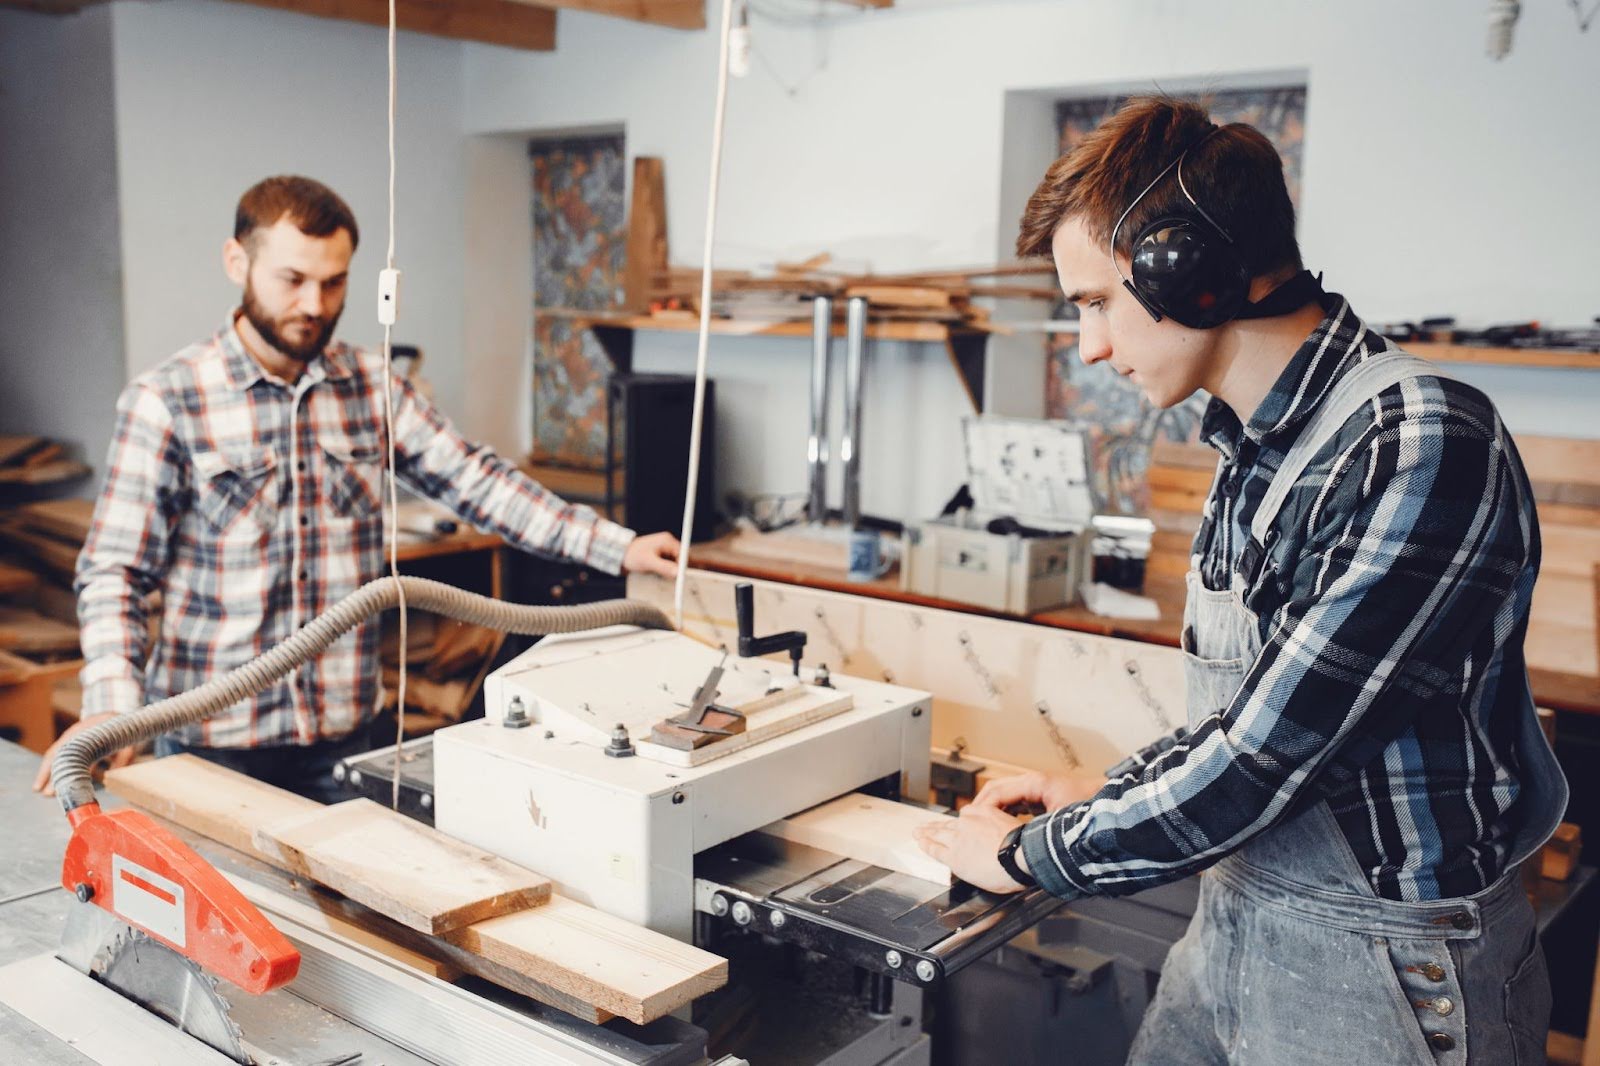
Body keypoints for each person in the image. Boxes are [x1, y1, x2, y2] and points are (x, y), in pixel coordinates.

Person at [915, 96, 1567, 1064]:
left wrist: (1022, 857)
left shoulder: (1419, 443)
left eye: (1095, 302)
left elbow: (1262, 760)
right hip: (1234, 918)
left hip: (1382, 971)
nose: (1089, 346)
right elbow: (1242, 715)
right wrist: (1093, 790)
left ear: (1193, 272)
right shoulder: (1252, 450)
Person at [34, 175, 681, 802]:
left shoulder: (371, 388)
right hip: (211, 744)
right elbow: (117, 571)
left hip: (345, 741)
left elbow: (475, 480)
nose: (315, 305)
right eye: (292, 280)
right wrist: (112, 706)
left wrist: (616, 548)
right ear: (238, 261)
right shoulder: (168, 401)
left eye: (334, 281)